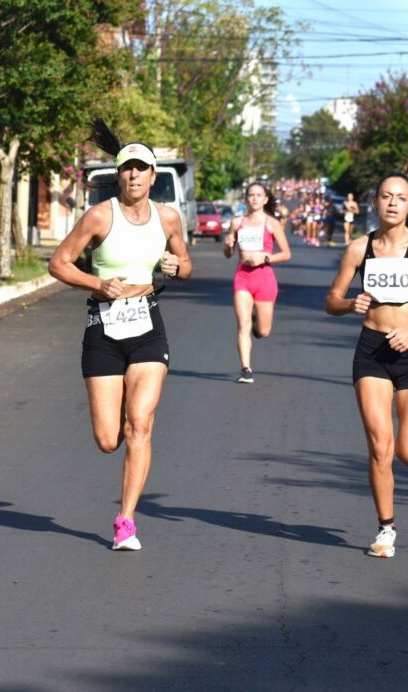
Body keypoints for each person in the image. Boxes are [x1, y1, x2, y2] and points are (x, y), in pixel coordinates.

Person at [48, 119, 193, 551]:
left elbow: (185, 265)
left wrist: (175, 268)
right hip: (104, 328)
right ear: (120, 174)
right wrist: (97, 285)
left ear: (153, 176)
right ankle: (121, 410)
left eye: (141, 168)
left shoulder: (168, 218)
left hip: (147, 325)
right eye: (127, 168)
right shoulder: (99, 215)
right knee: (108, 439)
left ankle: (126, 521)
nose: (133, 175)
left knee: (140, 425)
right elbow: (60, 263)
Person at [324, 152, 408, 559]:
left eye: (400, 197)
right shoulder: (357, 249)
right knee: (381, 446)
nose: (392, 203)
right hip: (371, 352)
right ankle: (386, 528)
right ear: (375, 202)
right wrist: (350, 305)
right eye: (386, 196)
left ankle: (394, 497)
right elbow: (330, 300)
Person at [224, 181, 292, 383]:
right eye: (251, 195)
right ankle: (246, 369)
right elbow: (228, 254)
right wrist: (228, 245)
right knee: (242, 324)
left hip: (264, 278)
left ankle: (257, 323)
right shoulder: (237, 223)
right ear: (246, 198)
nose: (254, 198)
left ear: (265, 199)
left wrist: (266, 258)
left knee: (263, 331)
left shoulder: (272, 223)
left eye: (258, 195)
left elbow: (287, 253)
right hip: (243, 276)